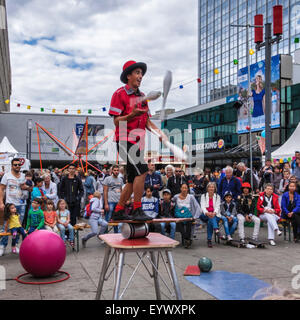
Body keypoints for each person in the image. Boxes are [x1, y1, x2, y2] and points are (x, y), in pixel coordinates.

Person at [108, 60, 168, 221]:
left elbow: (147, 121)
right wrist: (131, 115)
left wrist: (159, 133)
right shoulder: (119, 94)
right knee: (142, 170)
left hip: (137, 142)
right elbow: (116, 121)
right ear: (128, 76)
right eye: (137, 73)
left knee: (132, 179)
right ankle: (137, 209)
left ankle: (119, 210)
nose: (140, 76)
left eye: (141, 73)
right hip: (124, 139)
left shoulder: (143, 97)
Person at [0, 158, 32, 256]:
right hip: (10, 204)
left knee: (18, 226)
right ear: (12, 165)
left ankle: (15, 245)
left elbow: (30, 189)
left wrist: (26, 187)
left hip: (22, 204)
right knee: (6, 225)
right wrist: (1, 202)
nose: (17, 166)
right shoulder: (7, 176)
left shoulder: (24, 176)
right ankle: (2, 246)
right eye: (15, 165)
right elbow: (1, 189)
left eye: (19, 164)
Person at [173, 183, 201, 249]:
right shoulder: (176, 197)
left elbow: (198, 208)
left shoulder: (191, 197)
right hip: (179, 216)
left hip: (189, 216)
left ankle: (186, 240)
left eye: (186, 188)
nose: (184, 189)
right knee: (179, 223)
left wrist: (195, 217)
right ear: (180, 189)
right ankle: (187, 239)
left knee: (189, 222)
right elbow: (171, 204)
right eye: (183, 188)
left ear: (188, 189)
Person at [103, 165, 124, 233]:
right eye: (115, 170)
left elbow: (121, 191)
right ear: (112, 171)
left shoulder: (120, 179)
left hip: (118, 202)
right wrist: (106, 203)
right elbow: (105, 191)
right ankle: (105, 235)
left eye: (117, 170)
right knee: (107, 219)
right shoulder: (107, 179)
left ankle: (116, 235)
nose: (116, 172)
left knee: (116, 220)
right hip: (110, 201)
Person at [200, 182, 221, 248]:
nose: (211, 188)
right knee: (211, 218)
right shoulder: (203, 196)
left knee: (210, 221)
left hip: (215, 215)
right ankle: (216, 229)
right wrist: (207, 213)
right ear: (207, 188)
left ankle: (209, 240)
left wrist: (214, 213)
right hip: (205, 215)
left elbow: (217, 207)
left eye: (213, 187)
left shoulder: (217, 196)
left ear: (215, 188)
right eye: (210, 187)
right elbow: (202, 206)